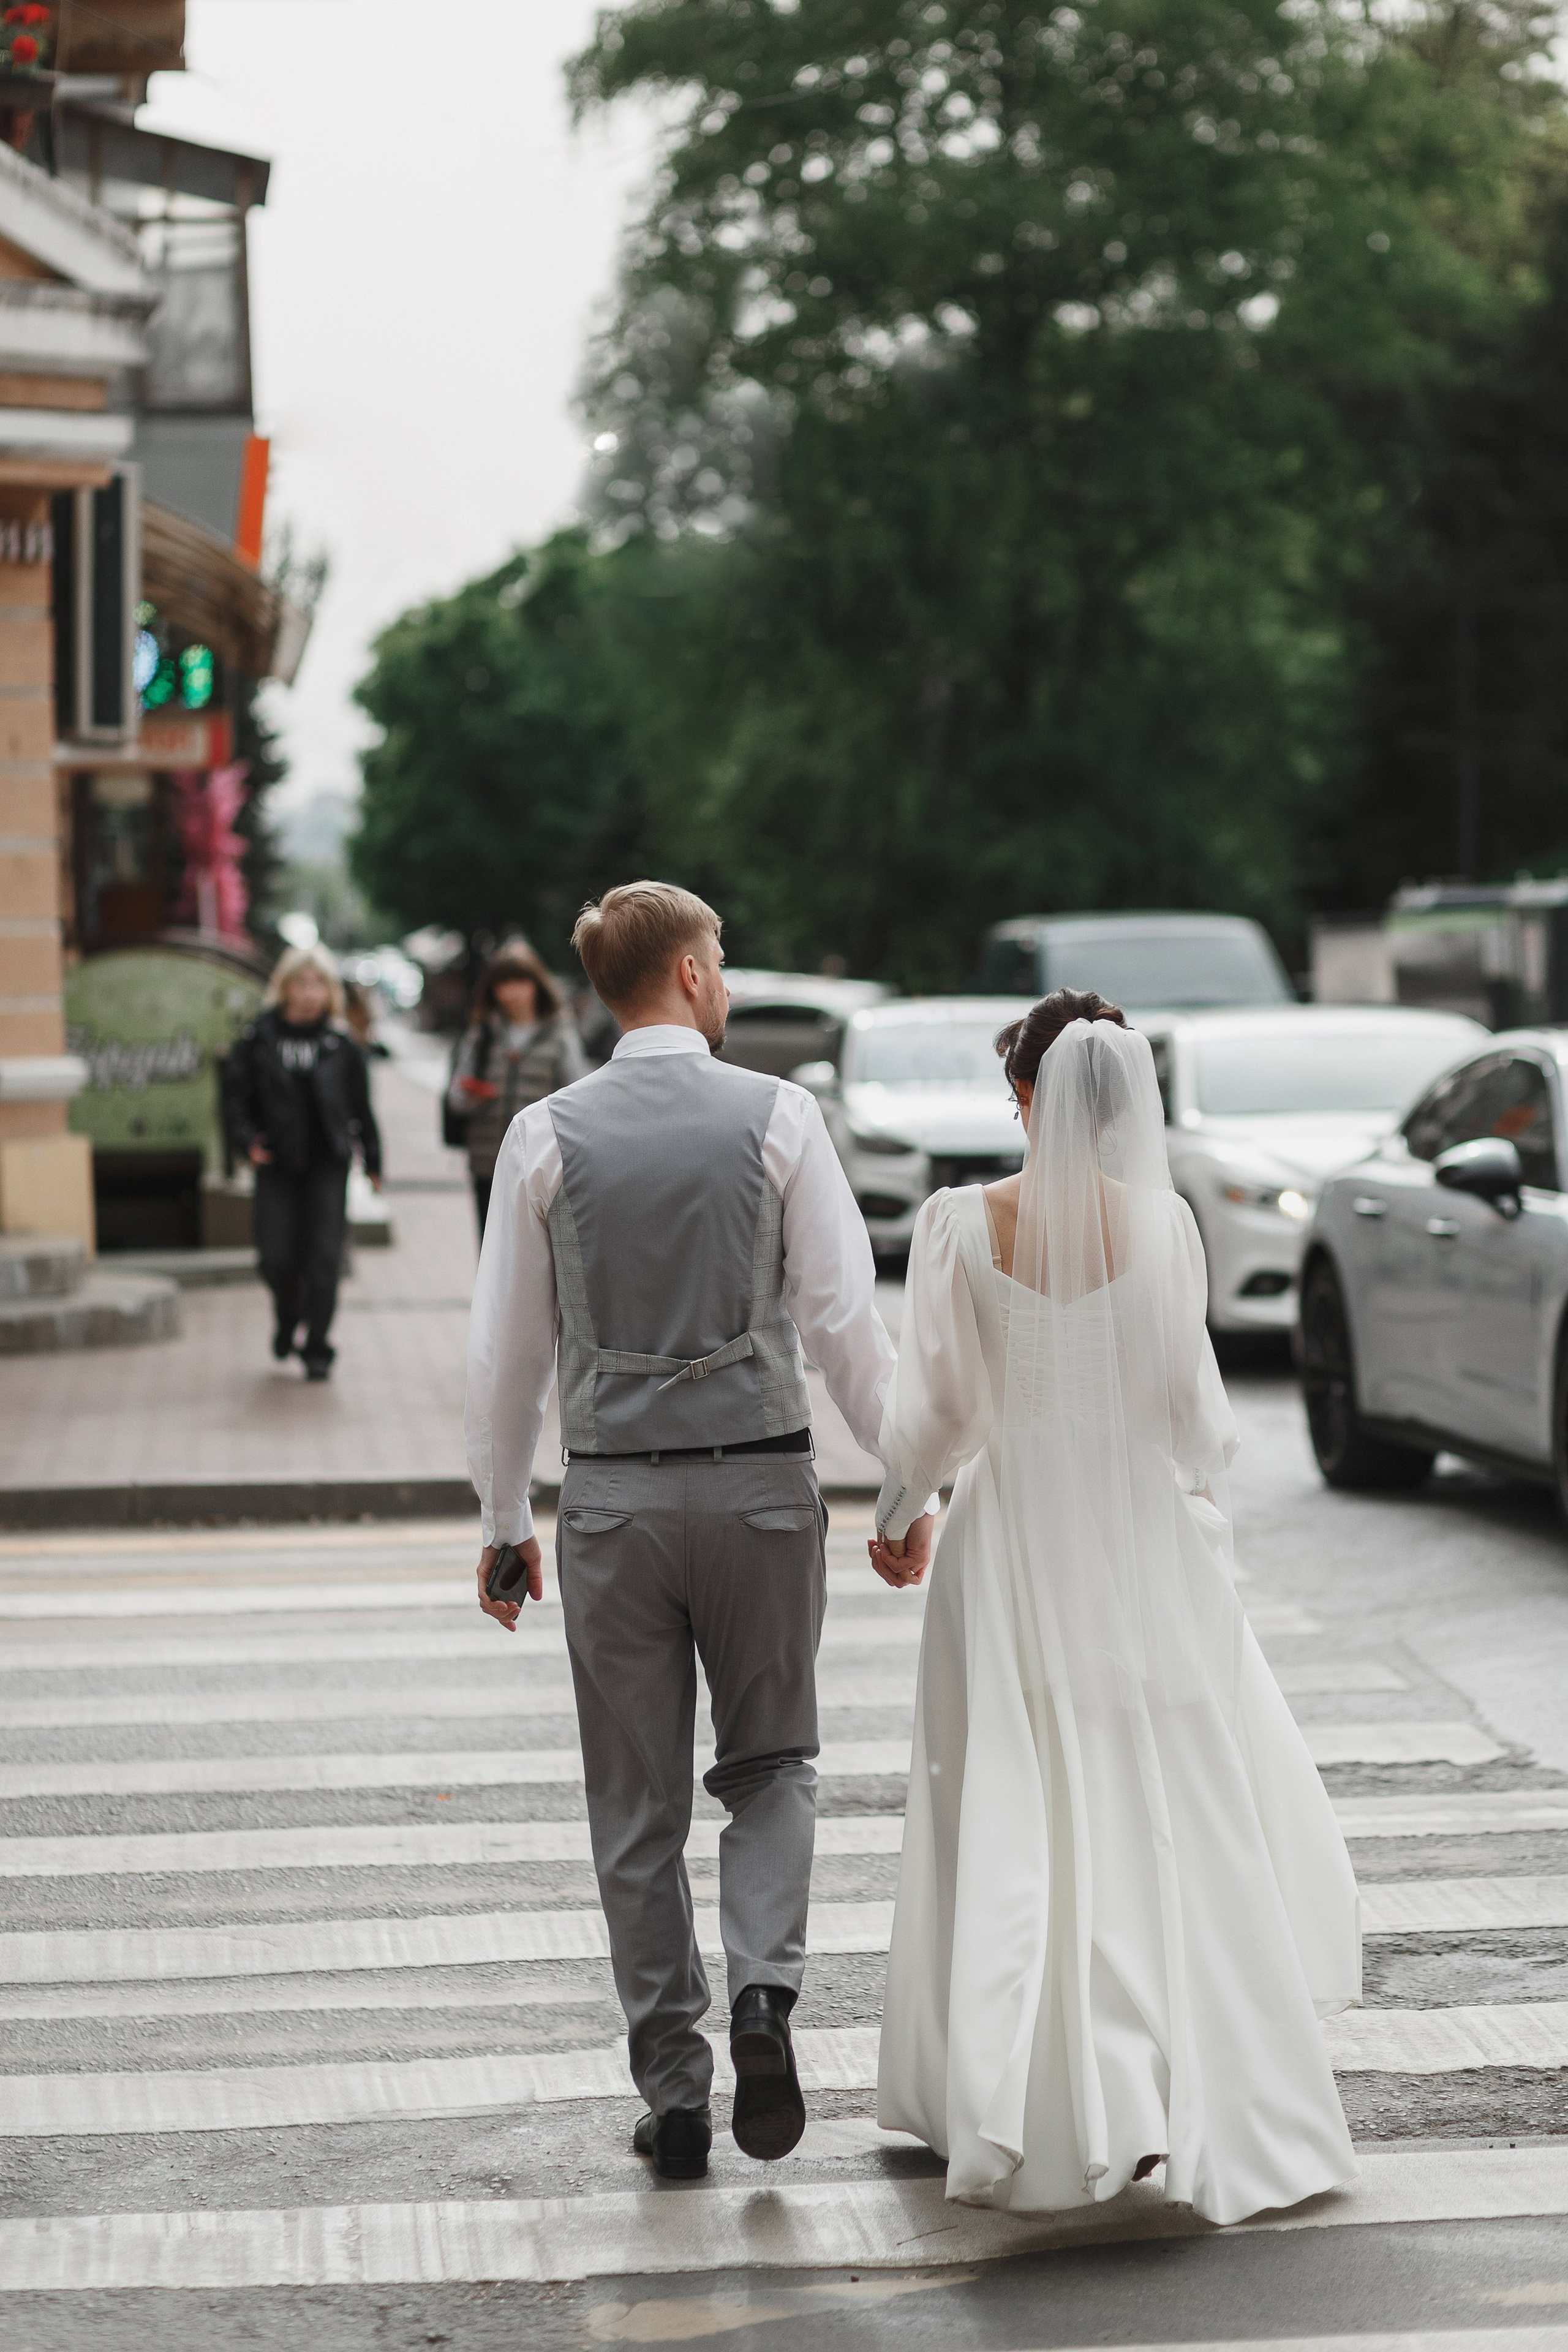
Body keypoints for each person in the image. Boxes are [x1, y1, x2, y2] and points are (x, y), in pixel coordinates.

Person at [870, 990, 1359, 2228]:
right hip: (1137, 1531)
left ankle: (1032, 2094)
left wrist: (897, 1509)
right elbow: (1192, 1415)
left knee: (1019, 1795)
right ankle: (1180, 2082)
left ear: (1023, 1097)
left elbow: (940, 1411)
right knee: (1165, 1795)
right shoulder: (1164, 1226)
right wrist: (1182, 1506)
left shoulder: (958, 1225)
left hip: (1013, 1537)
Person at [465, 881, 913, 2182]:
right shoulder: (780, 1116)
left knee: (635, 1803)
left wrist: (504, 1520)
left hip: (614, 1500)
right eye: (720, 954)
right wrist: (907, 1488)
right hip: (761, 1489)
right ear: (692, 975)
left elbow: (506, 1356)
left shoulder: (542, 1136)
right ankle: (764, 1990)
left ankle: (673, 2093)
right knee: (771, 1764)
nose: (725, 972)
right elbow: (843, 1326)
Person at [224, 943, 383, 1382]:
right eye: (301, 983)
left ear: (330, 991)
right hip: (276, 1164)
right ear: (284, 988)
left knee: (325, 1258)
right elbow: (234, 1099)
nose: (310, 993)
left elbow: (361, 1107)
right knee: (275, 1256)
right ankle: (288, 1314)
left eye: (319, 984)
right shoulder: (258, 1040)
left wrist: (373, 1161)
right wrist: (246, 1142)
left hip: (327, 1164)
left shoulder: (341, 1044)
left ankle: (317, 1346)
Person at [447, 942, 586, 1237]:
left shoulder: (560, 1035)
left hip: (541, 1166)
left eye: (520, 981)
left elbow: (577, 1099)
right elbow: (456, 1098)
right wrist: (475, 1098)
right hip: (488, 1163)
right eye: (504, 983)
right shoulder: (481, 1035)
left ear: (537, 984)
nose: (512, 992)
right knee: (490, 1246)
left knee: (538, 1249)